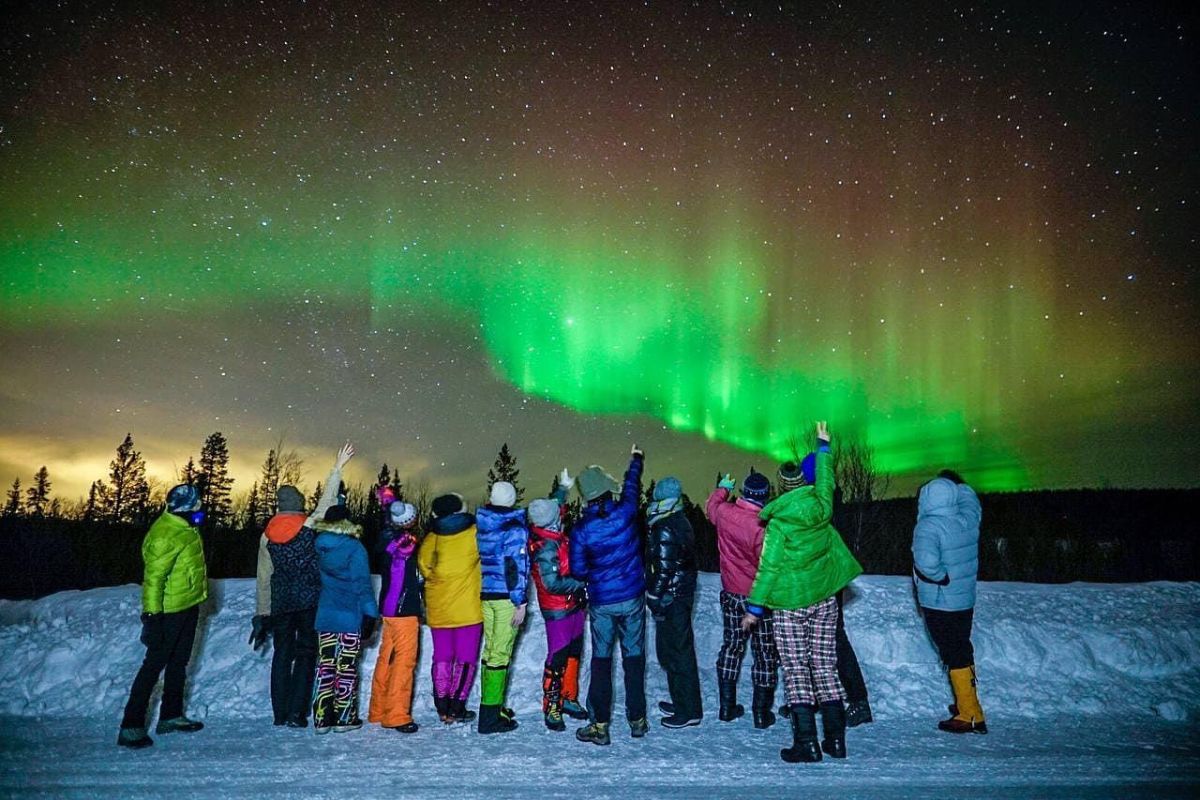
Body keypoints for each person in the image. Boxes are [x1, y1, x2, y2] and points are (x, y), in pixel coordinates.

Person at [742, 422, 863, 764]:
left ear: (781, 488)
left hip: (791, 604)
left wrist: (754, 607)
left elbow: (768, 570)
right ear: (803, 484)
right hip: (824, 598)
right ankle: (836, 742)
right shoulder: (821, 505)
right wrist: (823, 446)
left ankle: (807, 743)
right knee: (825, 666)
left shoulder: (779, 525)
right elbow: (827, 479)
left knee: (796, 669)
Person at [250, 446, 351, 728]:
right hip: (309, 601)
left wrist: (262, 612)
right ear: (299, 503)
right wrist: (337, 467)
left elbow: (263, 577)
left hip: (281, 602)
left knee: (282, 654)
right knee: (306, 653)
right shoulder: (309, 524)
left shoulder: (267, 535)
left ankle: (279, 713)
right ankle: (297, 712)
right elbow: (327, 500)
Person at [777, 460, 874, 728]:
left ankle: (858, 701)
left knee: (833, 640)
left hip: (824, 581)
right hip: (818, 580)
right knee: (812, 640)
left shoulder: (822, 504)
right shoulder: (823, 500)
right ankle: (813, 700)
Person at [117, 484, 209, 749]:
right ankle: (131, 726)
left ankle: (171, 715)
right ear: (186, 506)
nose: (201, 506)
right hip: (168, 612)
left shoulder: (186, 526)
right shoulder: (165, 534)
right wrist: (151, 616)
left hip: (188, 605)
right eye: (197, 503)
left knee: (179, 663)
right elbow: (153, 580)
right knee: (152, 667)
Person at [570, 444, 648, 746]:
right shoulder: (626, 511)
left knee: (601, 662)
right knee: (634, 658)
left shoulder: (581, 530)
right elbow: (632, 485)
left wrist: (594, 572)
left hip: (602, 602)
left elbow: (578, 570)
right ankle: (637, 719)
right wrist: (636, 459)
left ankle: (599, 726)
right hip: (631, 597)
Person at [912, 468, 987, 734]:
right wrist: (961, 486)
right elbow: (973, 505)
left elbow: (926, 562)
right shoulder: (966, 519)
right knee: (961, 649)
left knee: (953, 653)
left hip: (940, 601)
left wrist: (940, 578)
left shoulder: (928, 526)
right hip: (964, 600)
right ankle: (969, 703)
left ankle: (969, 714)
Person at [706, 468, 779, 728]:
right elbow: (768, 565)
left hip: (731, 592)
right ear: (764, 497)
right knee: (765, 652)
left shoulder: (725, 513)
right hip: (759, 599)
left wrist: (723, 487)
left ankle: (727, 707)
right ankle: (761, 712)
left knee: (732, 646)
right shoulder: (763, 526)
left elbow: (712, 507)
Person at [311, 461, 380, 734]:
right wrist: (371, 615)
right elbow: (362, 585)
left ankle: (320, 718)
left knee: (325, 666)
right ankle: (344, 717)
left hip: (326, 615)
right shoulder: (355, 548)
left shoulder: (319, 546)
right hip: (350, 616)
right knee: (347, 667)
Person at [527, 470, 589, 731]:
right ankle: (551, 704)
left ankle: (568, 696)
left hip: (573, 605)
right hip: (557, 609)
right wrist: (581, 582)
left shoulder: (551, 529)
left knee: (574, 652)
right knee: (558, 656)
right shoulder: (545, 547)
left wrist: (563, 487)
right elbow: (551, 584)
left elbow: (556, 506)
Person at [418, 493, 484, 725]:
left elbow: (425, 568)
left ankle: (442, 706)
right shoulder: (473, 535)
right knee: (465, 659)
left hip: (439, 610)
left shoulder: (430, 540)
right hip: (468, 610)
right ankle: (457, 708)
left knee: (443, 658)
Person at [645, 476, 703, 728]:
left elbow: (664, 567)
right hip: (680, 593)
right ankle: (682, 702)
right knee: (674, 651)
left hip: (672, 596)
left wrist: (654, 594)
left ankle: (688, 710)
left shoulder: (665, 525)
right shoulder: (679, 519)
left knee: (677, 652)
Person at [473, 480, 530, 734]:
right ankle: (489, 718)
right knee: (501, 654)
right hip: (506, 596)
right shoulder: (514, 527)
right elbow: (514, 566)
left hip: (488, 594)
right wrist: (521, 601)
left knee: (490, 651)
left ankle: (492, 706)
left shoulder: (484, 524)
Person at [367, 498, 422, 733]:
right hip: (404, 607)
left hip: (388, 607)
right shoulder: (405, 543)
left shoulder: (386, 538)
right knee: (404, 661)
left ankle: (378, 709)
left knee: (387, 658)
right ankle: (397, 714)